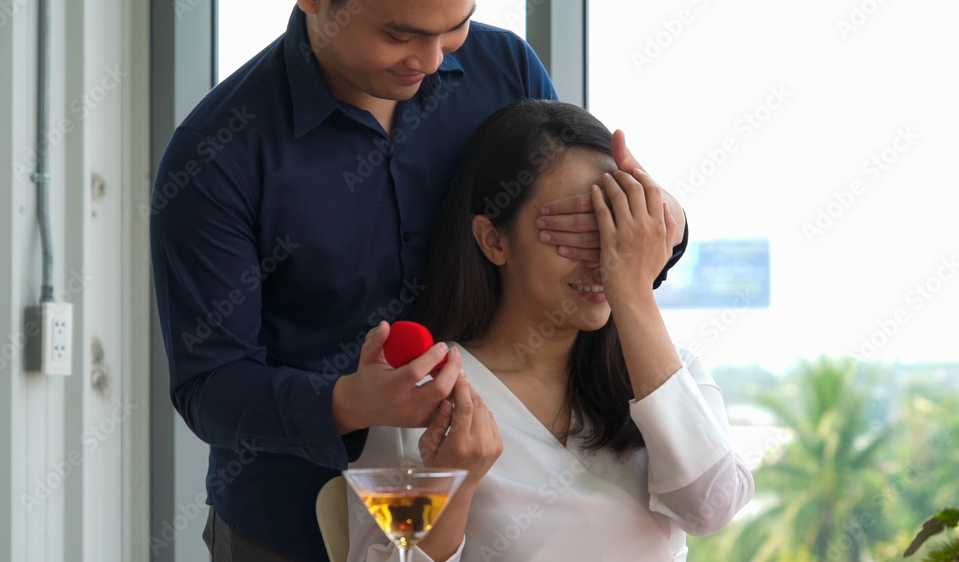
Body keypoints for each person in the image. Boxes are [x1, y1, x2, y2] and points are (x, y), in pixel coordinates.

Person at [149, 1, 688, 560]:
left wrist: (662, 222)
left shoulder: (506, 69)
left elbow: (573, 240)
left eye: (455, 28)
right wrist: (349, 403)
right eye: (399, 34)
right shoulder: (216, 154)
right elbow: (209, 386)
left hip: (496, 518)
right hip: (288, 526)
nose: (431, 60)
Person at [346, 99, 753, 562]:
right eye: (575, 231)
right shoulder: (425, 395)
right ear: (493, 239)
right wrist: (452, 491)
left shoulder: (666, 370)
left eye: (614, 229)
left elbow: (710, 509)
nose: (603, 259)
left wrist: (635, 292)